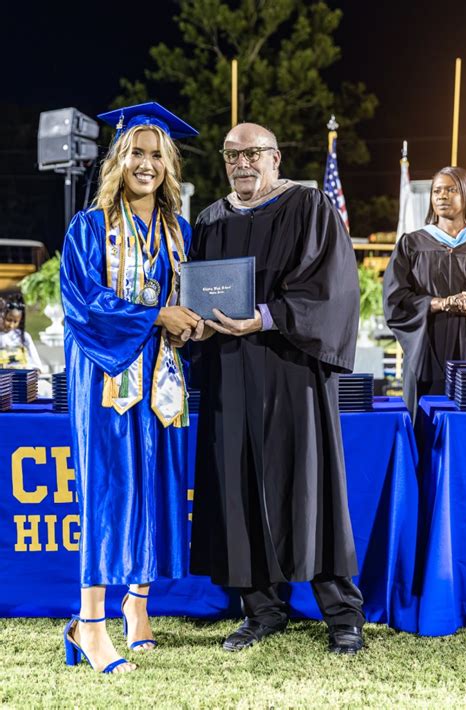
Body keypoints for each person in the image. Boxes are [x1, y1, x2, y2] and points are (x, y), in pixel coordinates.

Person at [189, 122, 365, 654]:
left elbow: (334, 288)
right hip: (230, 373)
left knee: (308, 486)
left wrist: (264, 316)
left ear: (276, 158)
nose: (243, 163)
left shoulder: (309, 207)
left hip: (292, 371)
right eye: (232, 155)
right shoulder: (211, 219)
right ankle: (261, 609)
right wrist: (195, 322)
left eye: (254, 154)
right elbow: (197, 288)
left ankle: (342, 615)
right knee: (237, 485)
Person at [60, 102, 201, 673]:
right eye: (137, 153)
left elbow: (185, 300)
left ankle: (136, 605)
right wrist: (155, 319)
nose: (147, 164)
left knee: (152, 484)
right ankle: (89, 623)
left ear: (169, 167)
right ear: (118, 160)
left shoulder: (178, 232)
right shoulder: (89, 228)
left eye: (157, 156)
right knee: (107, 487)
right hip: (106, 375)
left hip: (163, 379)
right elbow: (80, 303)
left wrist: (189, 323)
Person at [383, 166, 466, 416]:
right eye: (437, 191)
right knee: (426, 422)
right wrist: (442, 303)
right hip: (426, 346)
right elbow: (395, 300)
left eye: (451, 189)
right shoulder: (412, 244)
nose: (442, 196)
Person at [0, 296, 42, 370]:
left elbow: (37, 366)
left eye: (15, 321)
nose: (11, 325)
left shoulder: (24, 337)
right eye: (8, 320)